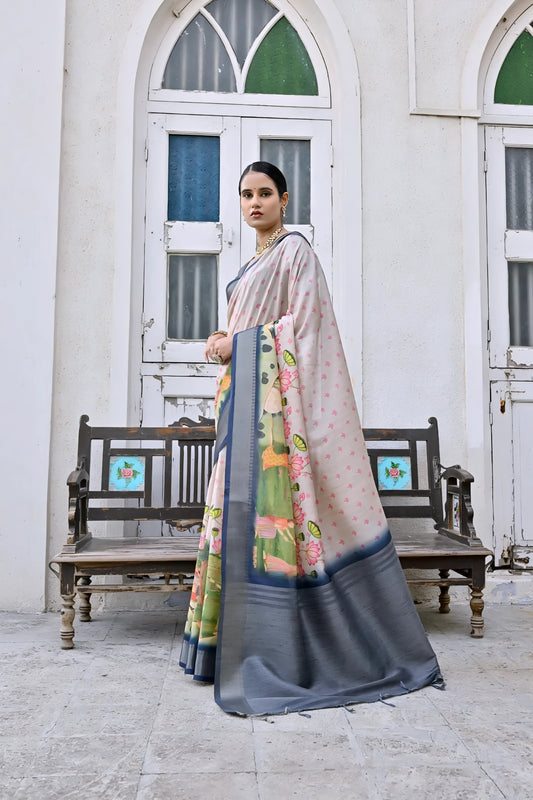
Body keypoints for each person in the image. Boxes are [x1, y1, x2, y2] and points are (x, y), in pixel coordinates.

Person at [179, 162, 443, 715]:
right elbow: (260, 322)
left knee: (275, 530)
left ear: (284, 198)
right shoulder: (253, 260)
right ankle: (219, 649)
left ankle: (285, 651)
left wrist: (240, 344)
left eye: (265, 194)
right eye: (247, 195)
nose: (255, 203)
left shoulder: (295, 252)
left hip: (274, 419)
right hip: (246, 407)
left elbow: (306, 326)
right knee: (234, 522)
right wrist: (225, 337)